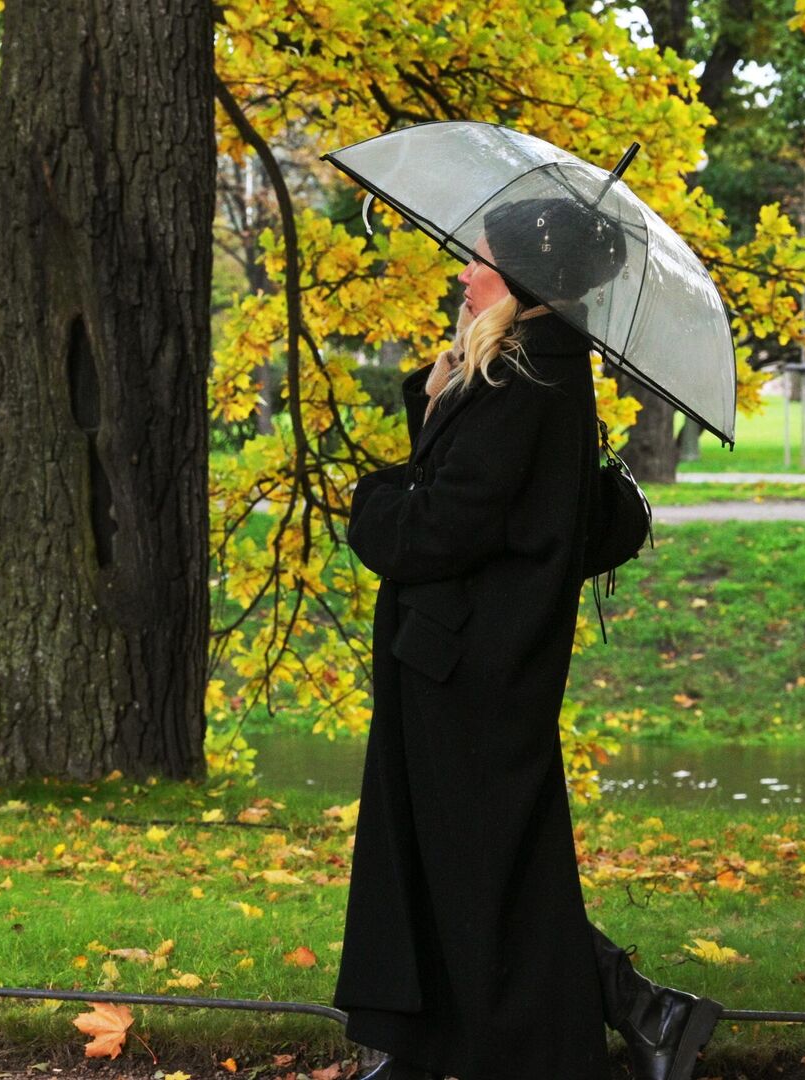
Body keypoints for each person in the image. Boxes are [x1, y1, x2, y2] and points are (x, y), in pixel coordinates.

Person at [333, 197, 722, 1080]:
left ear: (522, 280)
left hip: (473, 665)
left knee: (486, 866)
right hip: (462, 658)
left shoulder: (526, 381)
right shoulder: (519, 371)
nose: (463, 274)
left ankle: (637, 1010)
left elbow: (440, 531)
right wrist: (434, 401)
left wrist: (374, 497)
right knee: (466, 859)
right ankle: (445, 1038)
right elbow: (480, 507)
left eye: (478, 261)